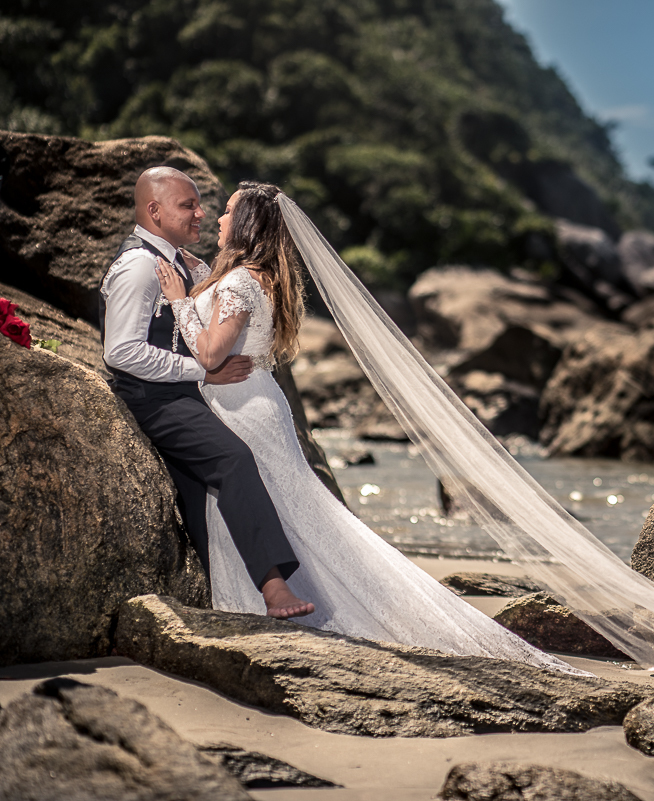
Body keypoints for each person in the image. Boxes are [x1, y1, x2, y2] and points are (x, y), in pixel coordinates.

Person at [156, 182, 580, 672]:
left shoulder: (238, 283)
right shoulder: (256, 278)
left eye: (228, 213)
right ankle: (282, 598)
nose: (218, 219)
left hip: (243, 406)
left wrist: (179, 300)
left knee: (281, 508)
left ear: (247, 225)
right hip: (252, 401)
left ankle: (276, 604)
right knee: (291, 510)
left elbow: (209, 353)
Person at [102, 167, 314, 619]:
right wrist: (199, 371)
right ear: (153, 210)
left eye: (201, 205)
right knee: (232, 460)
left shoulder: (185, 262)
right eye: (188, 206)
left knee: (202, 498)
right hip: (155, 399)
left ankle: (224, 596)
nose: (202, 213)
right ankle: (274, 587)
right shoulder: (139, 266)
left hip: (184, 393)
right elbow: (120, 351)